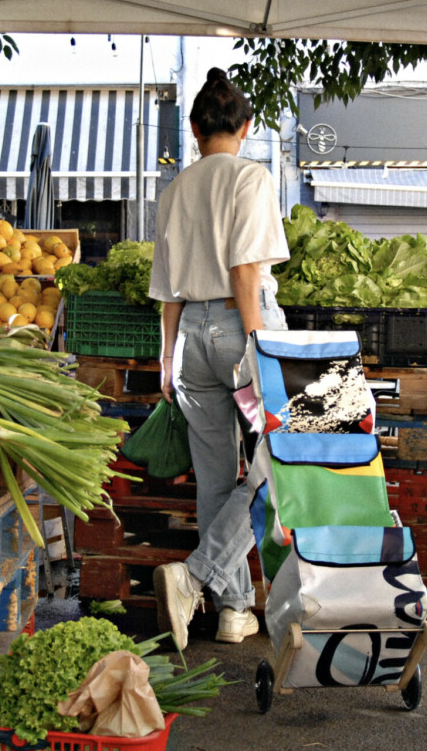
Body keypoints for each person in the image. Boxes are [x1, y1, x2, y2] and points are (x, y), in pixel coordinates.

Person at [147, 67, 289, 650]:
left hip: (191, 344)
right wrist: (258, 346)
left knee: (214, 480)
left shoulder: (175, 189)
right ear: (246, 126)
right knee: (281, 462)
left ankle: (232, 610)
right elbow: (246, 269)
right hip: (241, 329)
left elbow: (169, 289)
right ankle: (201, 578)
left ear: (194, 128)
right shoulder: (251, 178)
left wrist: (166, 358)